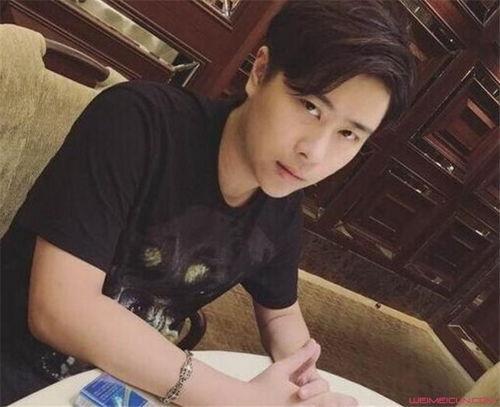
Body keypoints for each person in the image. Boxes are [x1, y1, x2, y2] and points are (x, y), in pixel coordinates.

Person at [1, 0, 415, 405]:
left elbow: (281, 313)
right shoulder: (138, 122)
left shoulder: (280, 199)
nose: (315, 153)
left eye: (349, 134)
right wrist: (238, 398)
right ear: (260, 71)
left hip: (125, 385)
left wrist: (307, 384)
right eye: (310, 106)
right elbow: (60, 309)